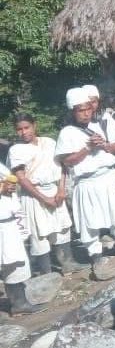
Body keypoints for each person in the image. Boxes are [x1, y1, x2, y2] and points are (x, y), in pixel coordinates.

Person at [55, 87, 115, 272]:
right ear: (73, 112)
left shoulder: (98, 125)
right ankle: (97, 258)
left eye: (87, 109)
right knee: (90, 224)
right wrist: (88, 148)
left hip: (107, 180)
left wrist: (104, 145)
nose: (85, 113)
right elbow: (67, 161)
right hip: (87, 183)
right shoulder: (66, 133)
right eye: (80, 110)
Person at [8, 113, 82, 276]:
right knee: (39, 234)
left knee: (62, 228)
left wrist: (61, 189)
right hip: (33, 195)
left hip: (55, 191)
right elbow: (21, 179)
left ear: (34, 125)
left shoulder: (49, 142)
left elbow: (62, 166)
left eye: (26, 127)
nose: (24, 132)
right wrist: (44, 198)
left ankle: (68, 264)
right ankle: (47, 273)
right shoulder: (16, 150)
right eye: (19, 129)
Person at [1, 173, 43, 315]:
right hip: (3, 229)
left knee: (17, 265)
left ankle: (20, 303)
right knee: (10, 265)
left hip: (11, 225)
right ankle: (18, 304)